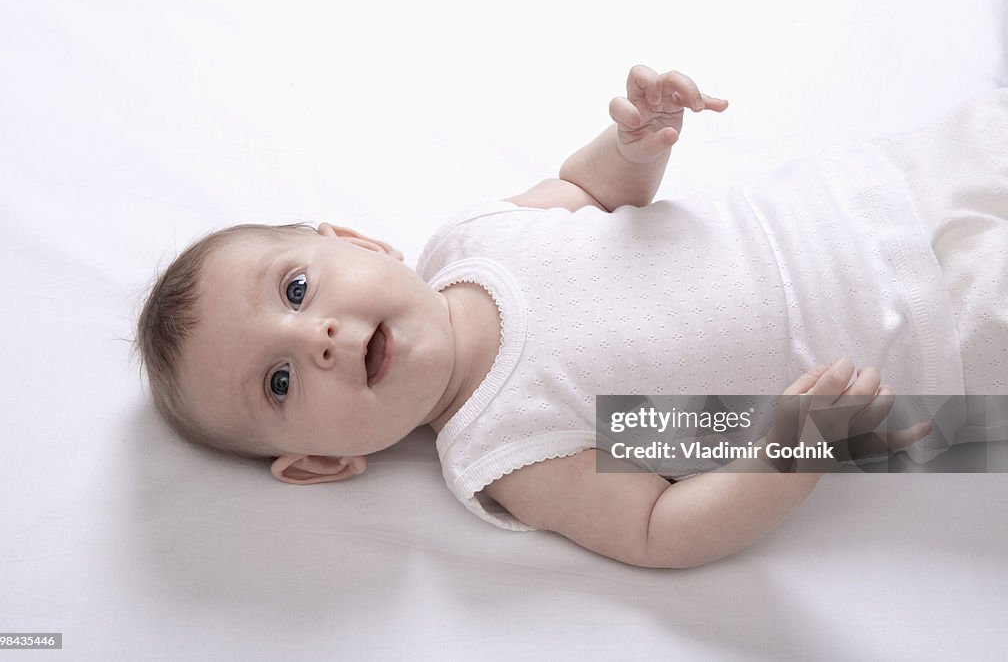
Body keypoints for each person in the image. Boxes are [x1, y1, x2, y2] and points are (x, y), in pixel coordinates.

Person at [135, 65, 1007, 568]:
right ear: (325, 460)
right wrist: (786, 448)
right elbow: (658, 530)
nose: (314, 337)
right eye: (279, 379)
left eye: (296, 291)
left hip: (859, 195)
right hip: (926, 348)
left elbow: (592, 192)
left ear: (362, 243)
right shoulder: (503, 446)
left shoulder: (470, 241)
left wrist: (632, 142)